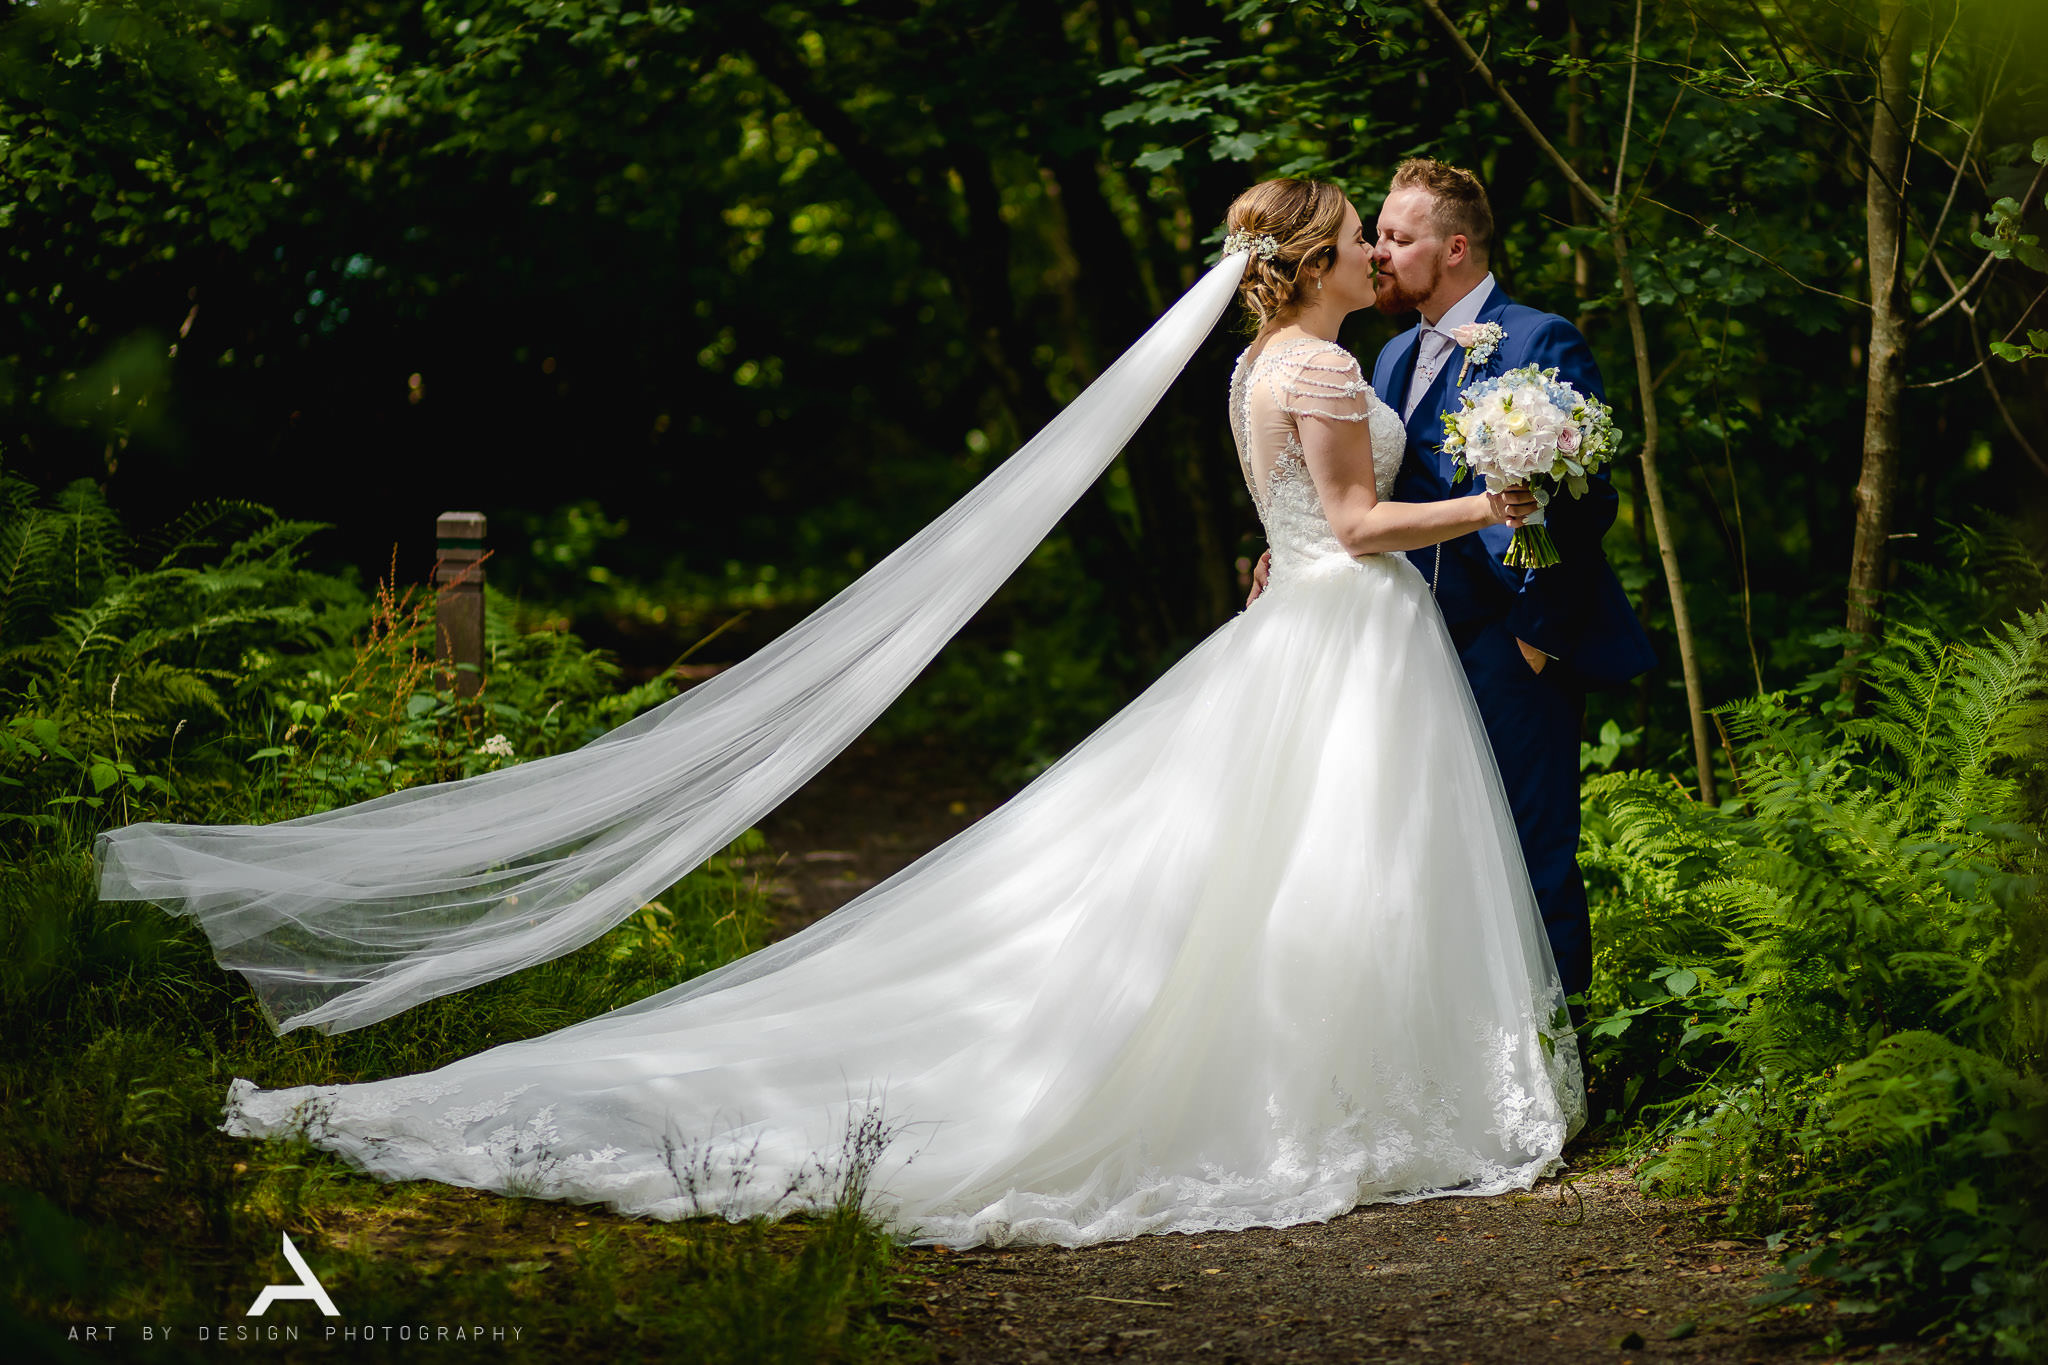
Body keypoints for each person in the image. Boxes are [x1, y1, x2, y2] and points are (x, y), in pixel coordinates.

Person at [119, 178, 1585, 1250]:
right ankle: (1333, 1091)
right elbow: (1347, 515)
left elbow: (1301, 515)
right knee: (1317, 859)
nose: (1373, 258)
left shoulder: (1270, 362)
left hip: (1315, 632)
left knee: (1293, 867)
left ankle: (1330, 1079)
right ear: (1316, 261)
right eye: (1356, 241)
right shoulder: (1323, 361)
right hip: (1343, 631)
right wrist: (1489, 499)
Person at [1252, 160, 1655, 1005]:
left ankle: (1560, 1051)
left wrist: (1536, 636)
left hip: (1509, 644)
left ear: (1456, 248)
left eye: (1399, 238)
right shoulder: (1388, 354)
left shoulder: (1540, 340)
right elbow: (1354, 489)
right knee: (1434, 861)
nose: (1382, 253)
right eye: (1379, 237)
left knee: (1529, 849)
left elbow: (1590, 502)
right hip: (1401, 647)